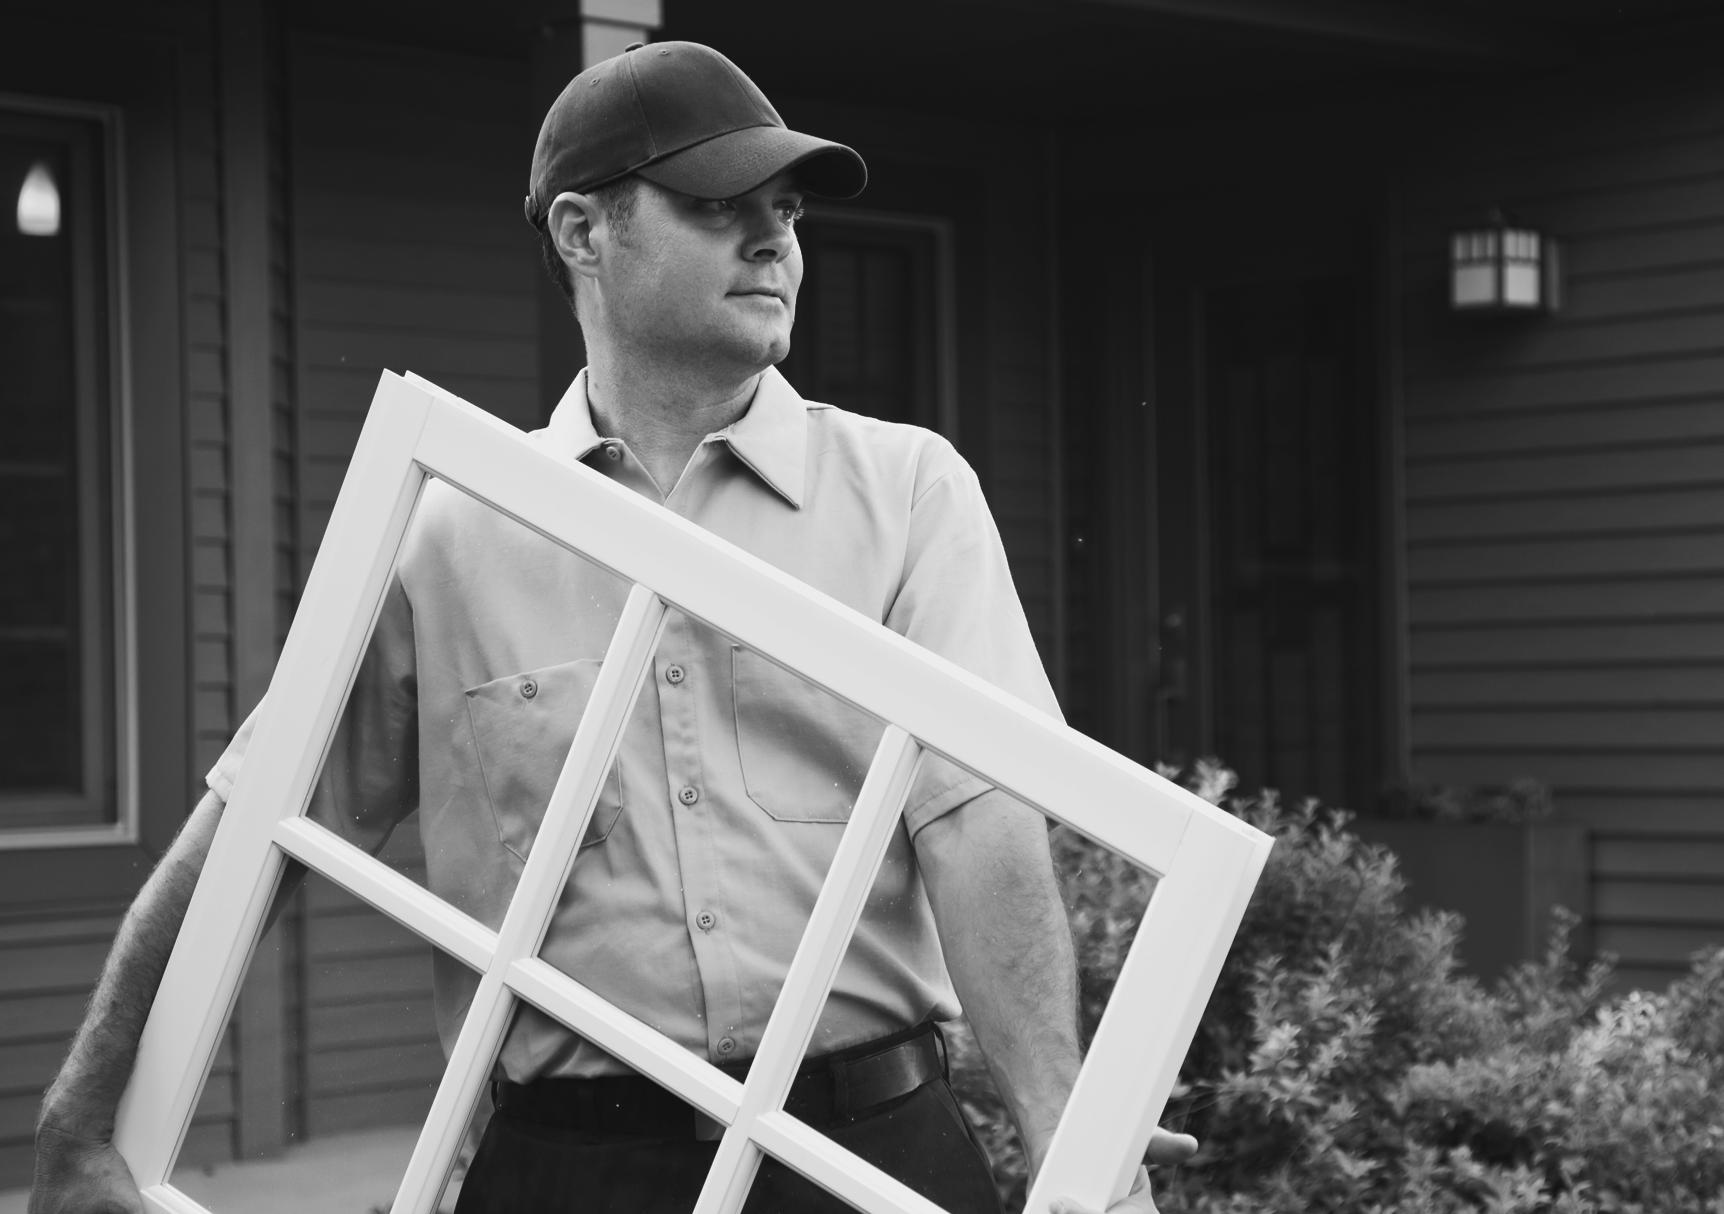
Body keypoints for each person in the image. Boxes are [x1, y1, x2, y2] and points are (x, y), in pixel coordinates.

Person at [29, 40, 1195, 1214]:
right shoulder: (446, 537)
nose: (774, 241)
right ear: (583, 233)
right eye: (720, 206)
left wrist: (1073, 1146)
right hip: (567, 1170)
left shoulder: (905, 494)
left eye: (787, 211)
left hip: (866, 1156)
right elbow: (252, 834)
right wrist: (78, 1119)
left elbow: (976, 828)